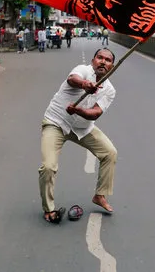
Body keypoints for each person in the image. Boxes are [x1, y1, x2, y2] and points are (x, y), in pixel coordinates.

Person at [39, 48, 118, 223]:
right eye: (100, 58)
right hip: (56, 122)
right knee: (48, 167)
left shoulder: (110, 90)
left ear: (112, 67)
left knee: (109, 153)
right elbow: (72, 79)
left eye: (108, 60)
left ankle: (100, 195)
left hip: (83, 128)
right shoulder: (82, 70)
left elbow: (96, 113)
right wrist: (84, 85)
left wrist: (78, 110)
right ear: (93, 60)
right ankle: (49, 209)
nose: (103, 62)